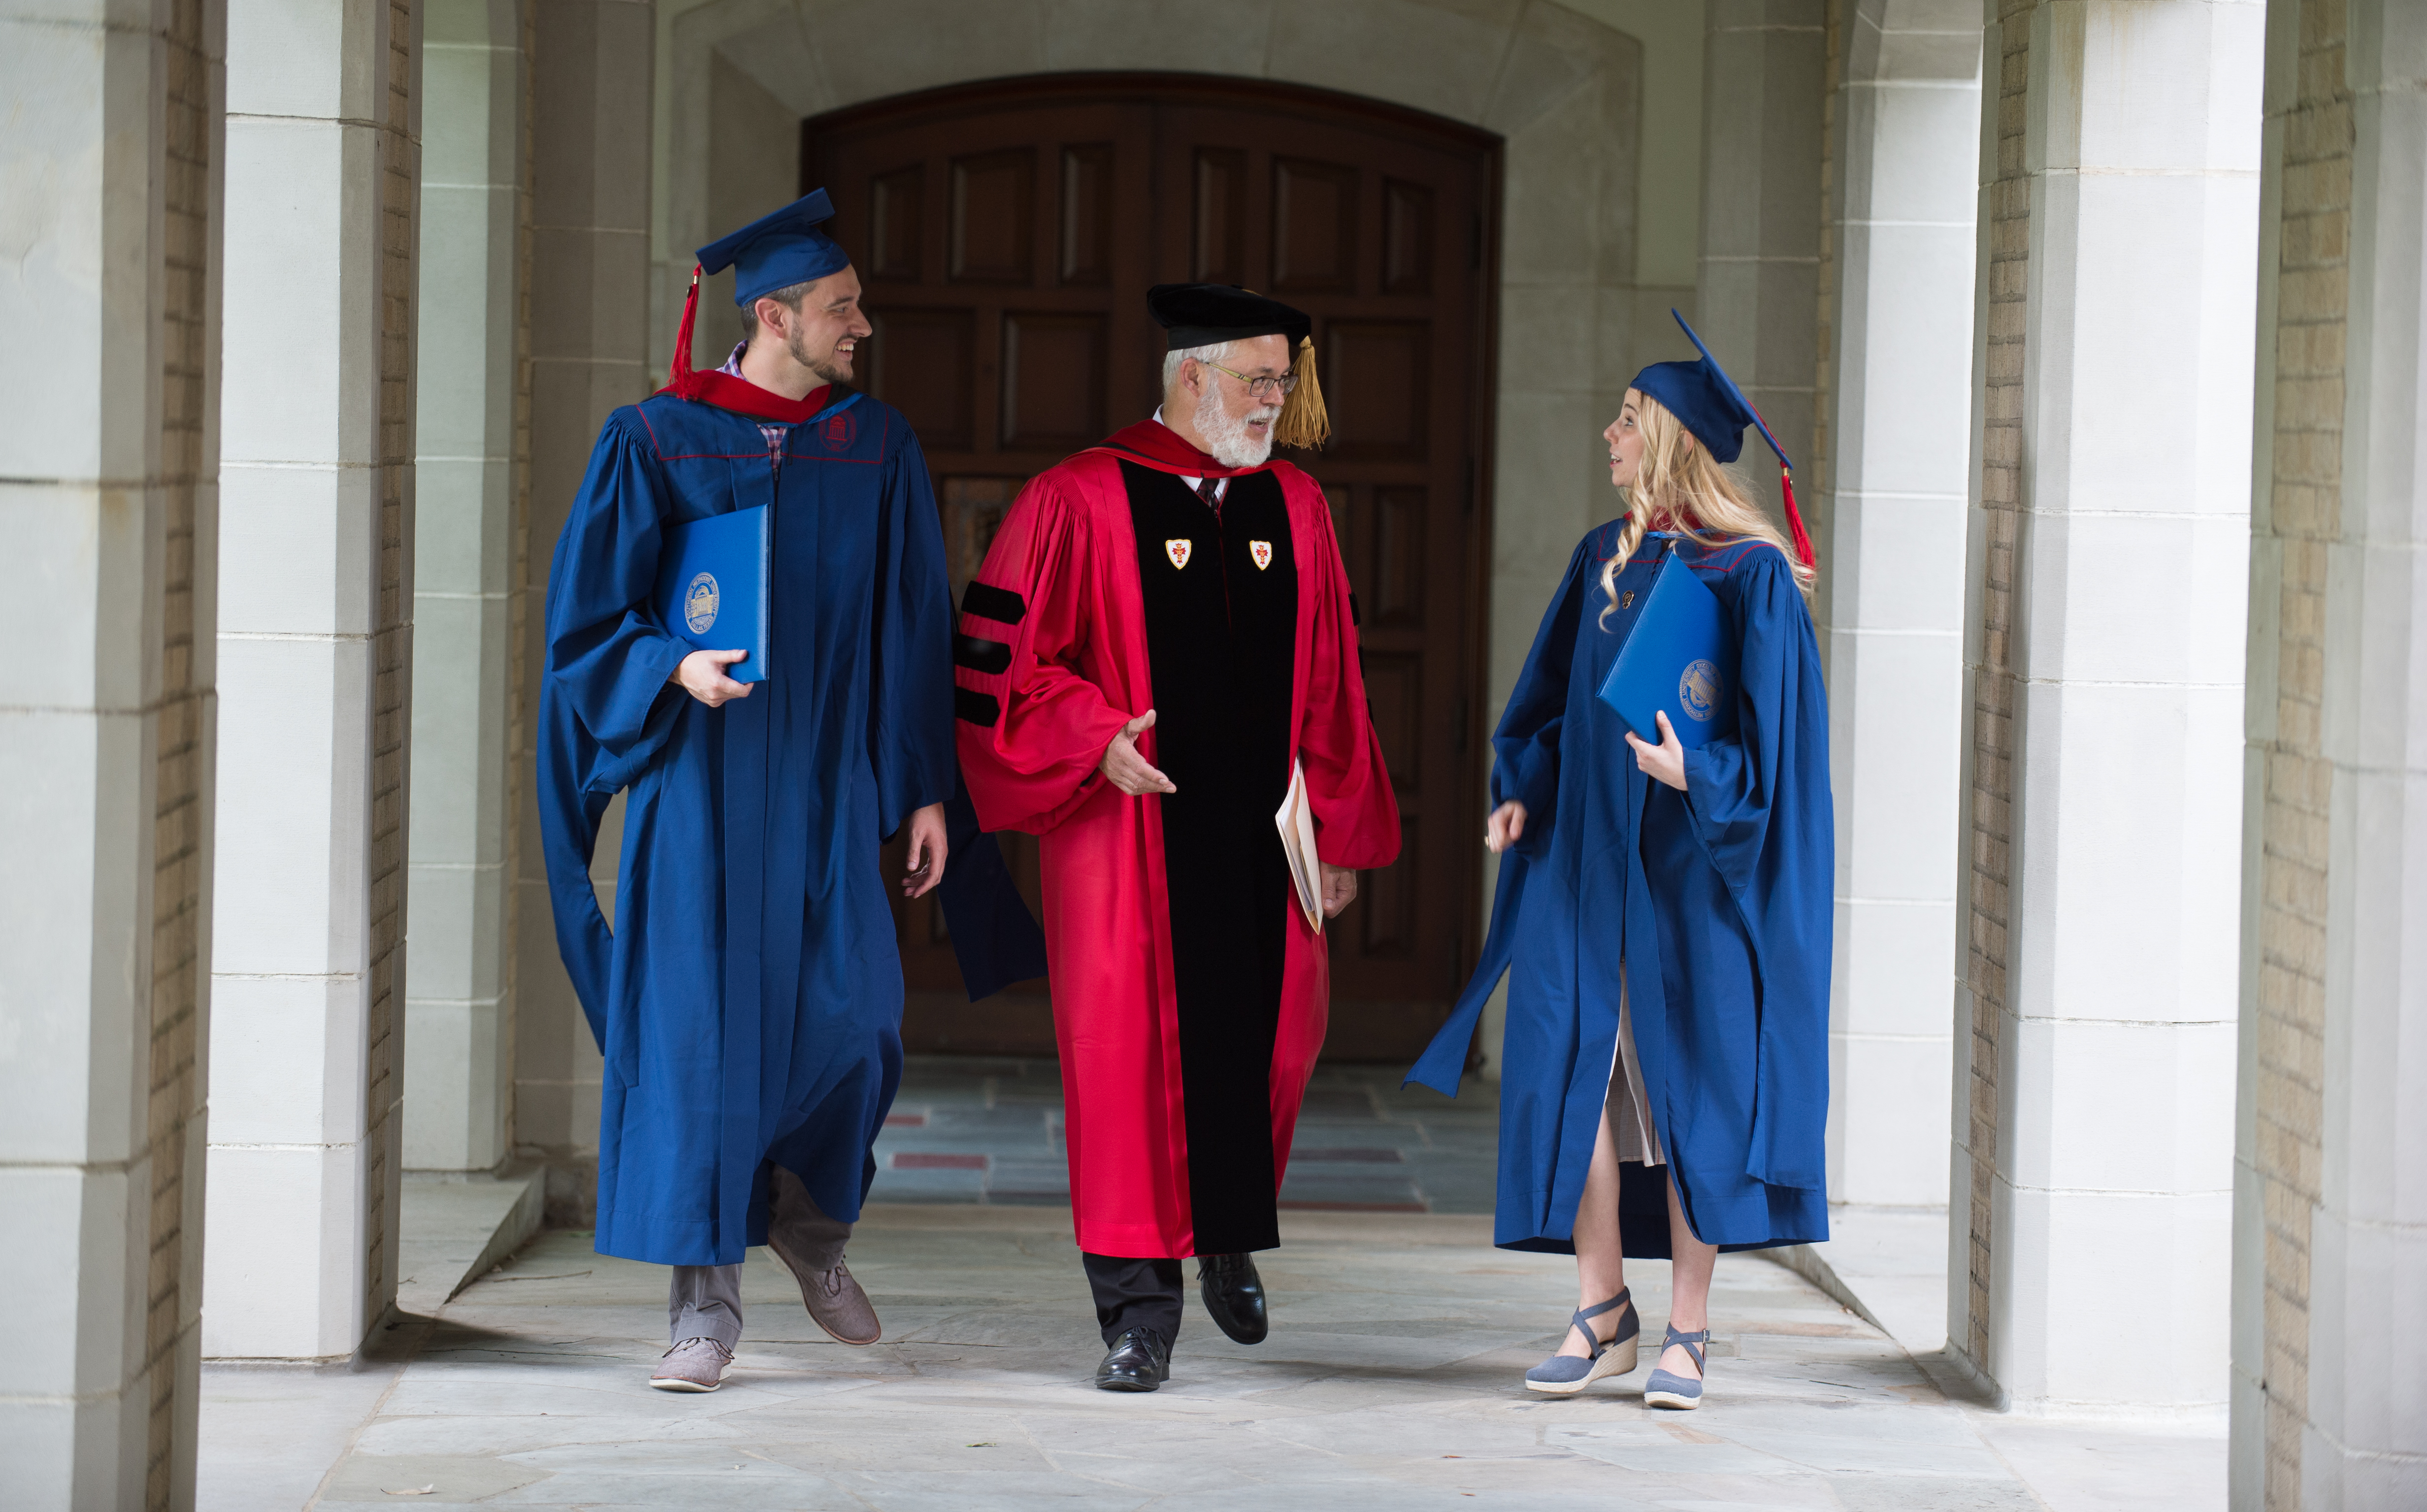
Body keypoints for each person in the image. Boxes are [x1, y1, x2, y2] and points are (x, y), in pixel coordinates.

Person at [536, 190, 956, 1393]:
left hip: (827, 781)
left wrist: (923, 787)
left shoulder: (874, 444)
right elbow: (587, 623)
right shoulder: (657, 438)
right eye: (842, 307)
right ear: (774, 315)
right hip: (702, 784)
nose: (861, 325)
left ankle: (808, 1224)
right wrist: (674, 663)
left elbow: (911, 626)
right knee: (698, 1041)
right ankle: (701, 1307)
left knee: (859, 1017)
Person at [952, 284, 1401, 1392]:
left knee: (1273, 1042)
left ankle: (1228, 1231)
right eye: (1260, 380)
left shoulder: (1294, 505)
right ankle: (1136, 1311)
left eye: (1284, 381)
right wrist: (1094, 735)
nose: (1277, 400)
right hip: (1128, 844)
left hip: (1263, 838)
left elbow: (1336, 680)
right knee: (1125, 1070)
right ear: (1192, 376)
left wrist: (1336, 830)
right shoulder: (1078, 497)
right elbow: (1001, 664)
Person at [1407, 311, 1832, 1411]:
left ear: (1673, 441)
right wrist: (1521, 795)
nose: (1607, 436)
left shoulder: (1751, 576)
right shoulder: (1604, 556)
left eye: (1626, 422)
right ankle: (1602, 1305)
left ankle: (1689, 1324)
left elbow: (1775, 755)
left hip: (1693, 874)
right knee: (1569, 1070)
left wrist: (1697, 773)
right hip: (1582, 861)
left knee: (1690, 1084)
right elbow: (1547, 709)